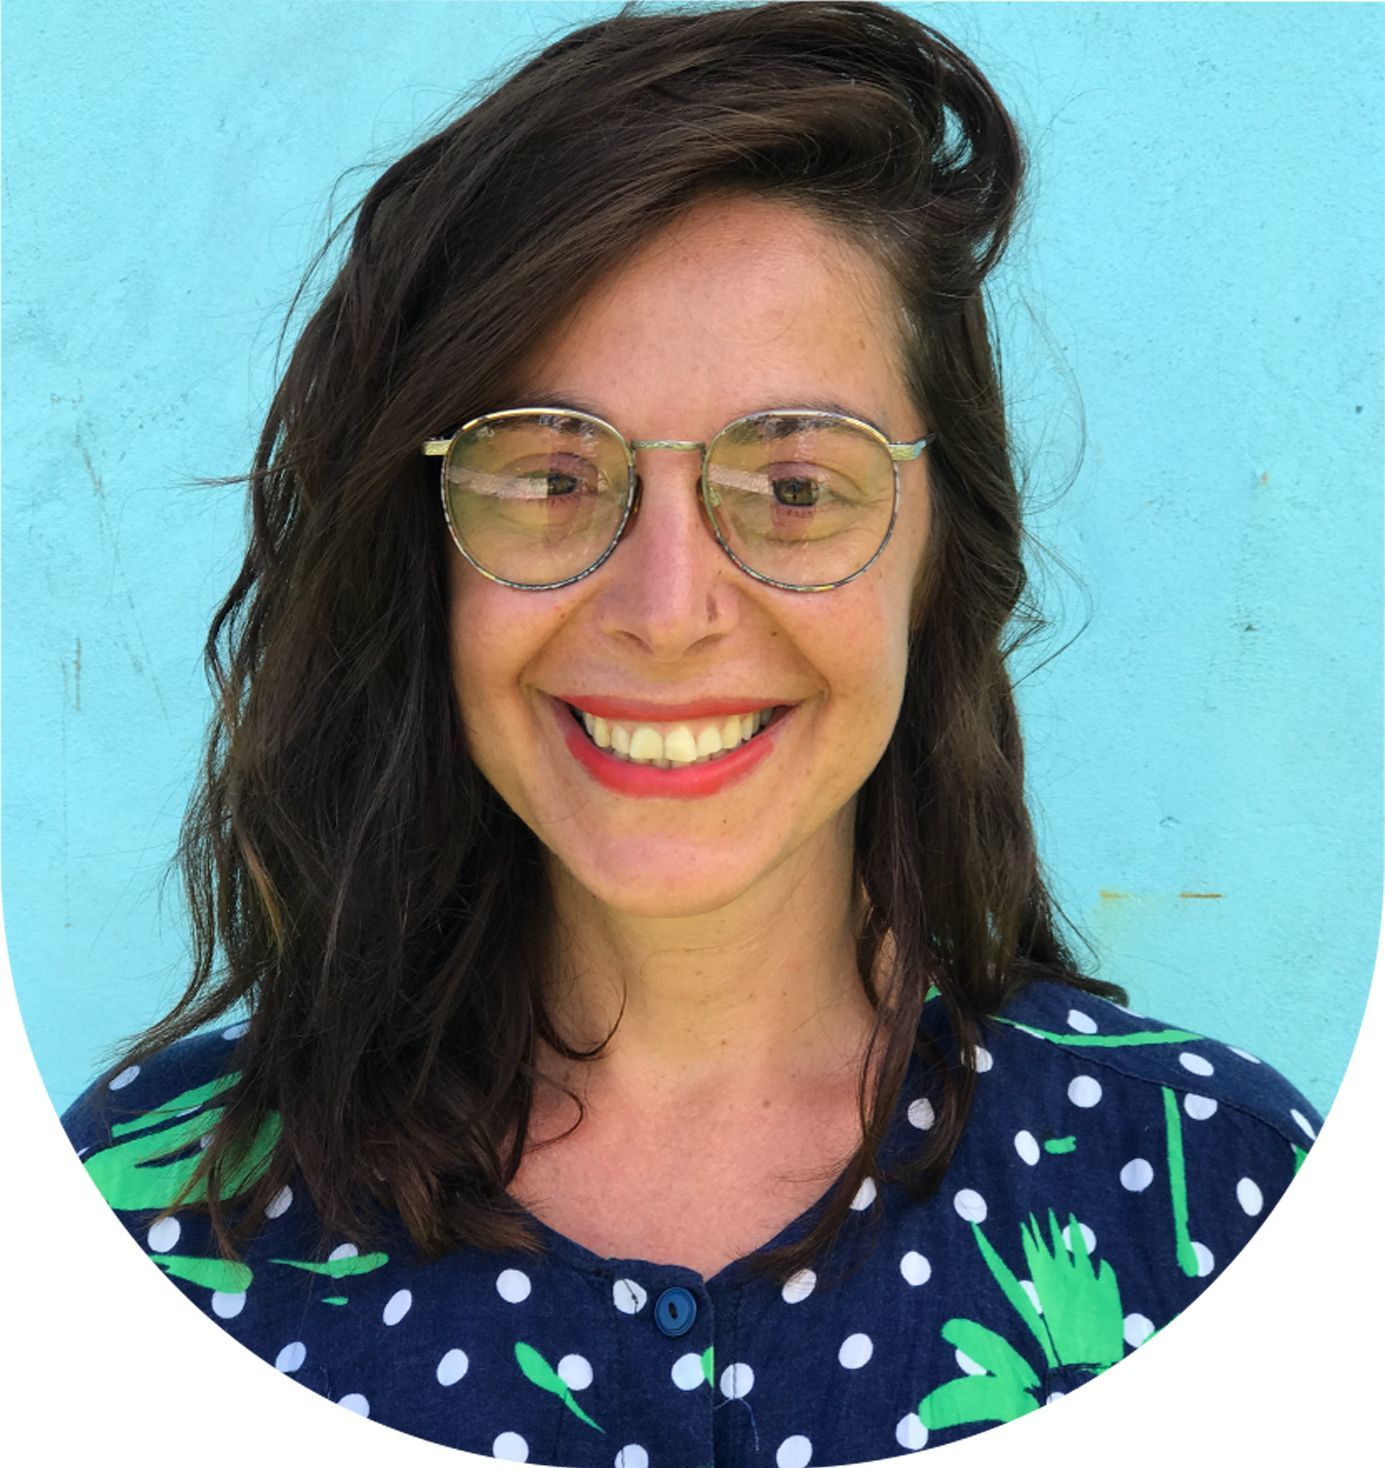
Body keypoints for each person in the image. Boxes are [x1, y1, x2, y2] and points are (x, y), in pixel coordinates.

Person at [60, 3, 1324, 1463]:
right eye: (547, 473)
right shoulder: (137, 1219)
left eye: (795, 486)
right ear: (428, 556)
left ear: (938, 560)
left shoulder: (1221, 1194)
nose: (667, 610)